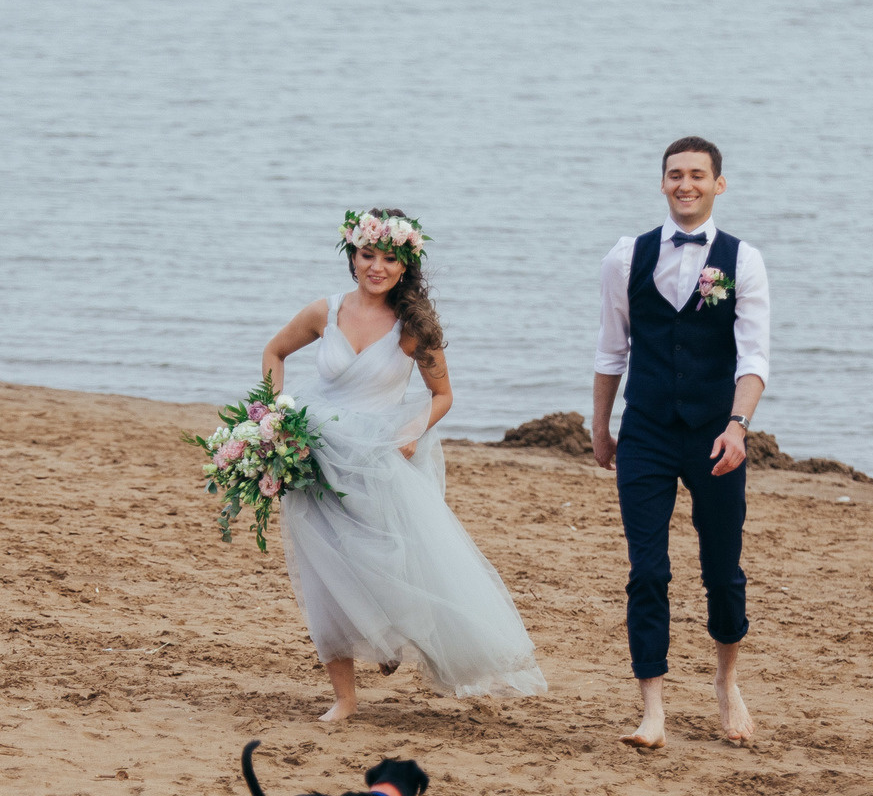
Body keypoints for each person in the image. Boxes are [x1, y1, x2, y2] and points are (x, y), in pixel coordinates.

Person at [259, 208, 547, 722]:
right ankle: (344, 698)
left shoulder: (412, 328)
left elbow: (442, 395)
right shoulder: (324, 312)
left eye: (389, 258)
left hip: (377, 459)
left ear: (405, 266)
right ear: (353, 256)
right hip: (314, 458)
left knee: (389, 562)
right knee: (327, 573)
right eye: (368, 254)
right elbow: (274, 352)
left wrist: (413, 430)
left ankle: (389, 639)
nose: (377, 266)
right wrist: (274, 414)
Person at [590, 136, 770, 749]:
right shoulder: (626, 257)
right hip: (645, 430)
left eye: (697, 174)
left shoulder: (744, 261)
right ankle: (653, 710)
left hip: (718, 435)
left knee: (722, 571)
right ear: (662, 182)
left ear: (719, 184)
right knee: (648, 571)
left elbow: (754, 359)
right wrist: (600, 424)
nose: (685, 183)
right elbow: (612, 350)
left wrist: (738, 426)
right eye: (675, 174)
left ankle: (726, 682)